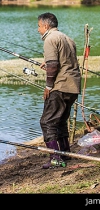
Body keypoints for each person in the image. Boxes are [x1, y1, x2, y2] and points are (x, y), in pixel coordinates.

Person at [37, 12, 81, 169]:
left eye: (39, 26)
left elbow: (54, 65)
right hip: (73, 86)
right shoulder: (67, 38)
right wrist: (47, 63)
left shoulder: (50, 39)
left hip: (60, 87)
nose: (38, 29)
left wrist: (48, 86)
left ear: (46, 26)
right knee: (60, 121)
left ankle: (55, 157)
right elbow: (64, 61)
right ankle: (65, 153)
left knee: (47, 121)